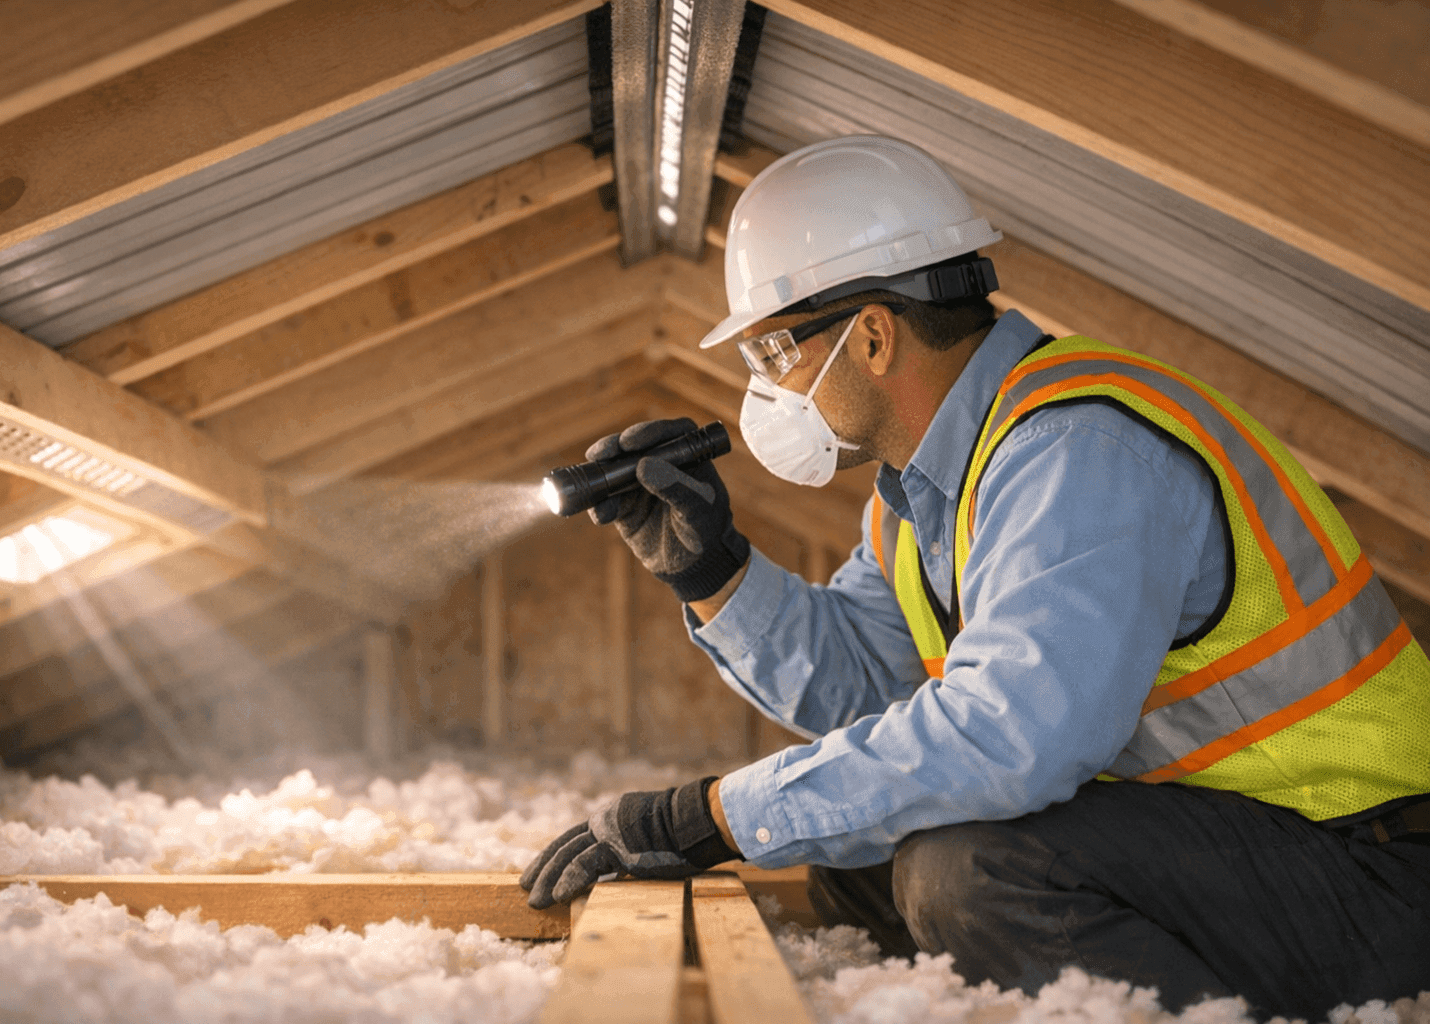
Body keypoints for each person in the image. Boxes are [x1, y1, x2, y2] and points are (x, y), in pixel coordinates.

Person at [519, 135, 1430, 1018]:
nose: (766, 389)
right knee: (859, 857)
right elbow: (866, 686)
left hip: (1371, 862)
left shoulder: (1076, 450)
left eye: (773, 353)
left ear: (873, 336)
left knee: (967, 873)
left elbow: (1013, 735)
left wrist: (717, 816)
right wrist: (711, 571)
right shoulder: (922, 496)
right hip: (1234, 843)